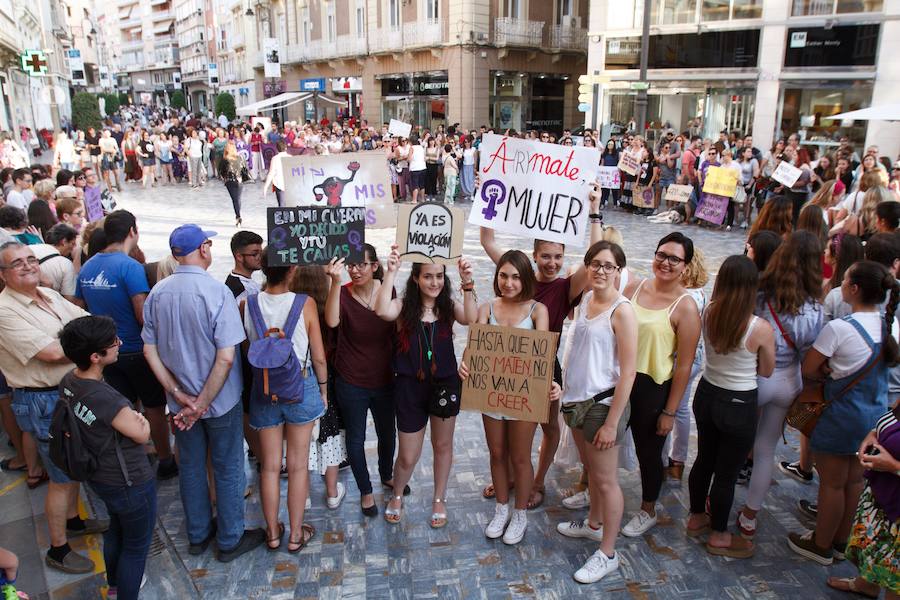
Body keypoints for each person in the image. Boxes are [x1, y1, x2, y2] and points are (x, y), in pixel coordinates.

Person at [142, 224, 265, 562]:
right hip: (219, 401)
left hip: (180, 403)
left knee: (193, 466)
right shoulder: (216, 292)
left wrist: (178, 394)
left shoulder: (158, 292)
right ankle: (230, 538)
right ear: (205, 249)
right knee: (227, 467)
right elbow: (226, 356)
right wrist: (202, 403)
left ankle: (198, 534)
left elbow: (149, 350)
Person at [479, 189, 604, 508]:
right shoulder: (519, 277)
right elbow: (488, 242)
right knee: (506, 425)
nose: (552, 262)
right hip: (507, 364)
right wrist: (487, 195)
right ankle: (507, 479)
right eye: (546, 256)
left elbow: (595, 257)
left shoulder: (565, 287)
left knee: (547, 426)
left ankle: (535, 482)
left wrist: (594, 211)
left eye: (558, 257)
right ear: (534, 256)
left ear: (565, 259)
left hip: (545, 365)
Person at [0, 241, 103, 574]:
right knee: (59, 477)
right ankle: (58, 549)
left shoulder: (49, 295)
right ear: (3, 274)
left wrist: (77, 339)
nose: (29, 265)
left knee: (72, 468)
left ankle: (73, 521)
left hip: (66, 392)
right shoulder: (4, 310)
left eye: (32, 259)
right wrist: (81, 341)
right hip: (41, 399)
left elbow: (90, 322)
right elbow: (51, 352)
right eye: (18, 263)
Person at [788, 260, 897, 565]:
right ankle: (840, 541)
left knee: (832, 483)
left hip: (840, 416)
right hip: (874, 417)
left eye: (845, 279)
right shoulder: (891, 325)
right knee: (854, 481)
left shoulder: (839, 328)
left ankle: (820, 544)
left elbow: (809, 368)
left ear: (854, 288)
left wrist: (829, 370)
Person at [458, 250, 557, 545]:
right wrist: (465, 363)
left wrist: (552, 383)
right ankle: (501, 509)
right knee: (497, 453)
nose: (509, 282)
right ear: (497, 276)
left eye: (515, 276)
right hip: (491, 391)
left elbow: (544, 356)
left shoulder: (538, 310)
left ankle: (520, 514)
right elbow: (473, 346)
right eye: (503, 275)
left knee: (520, 457)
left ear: (525, 278)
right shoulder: (487, 307)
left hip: (523, 396)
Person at [374, 246, 477, 527]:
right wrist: (391, 271)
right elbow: (382, 310)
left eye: (440, 276)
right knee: (408, 455)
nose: (435, 282)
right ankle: (397, 493)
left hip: (445, 385)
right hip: (409, 387)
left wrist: (467, 282)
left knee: (442, 445)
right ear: (416, 279)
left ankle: (439, 499)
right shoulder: (404, 307)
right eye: (428, 277)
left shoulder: (447, 308)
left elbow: (471, 318)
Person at [57, 316, 156, 600]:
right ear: (95, 356)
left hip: (100, 476)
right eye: (113, 343)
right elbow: (141, 433)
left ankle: (113, 586)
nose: (119, 344)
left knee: (116, 529)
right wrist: (142, 421)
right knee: (136, 548)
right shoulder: (106, 399)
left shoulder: (69, 381)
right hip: (129, 480)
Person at [556, 241, 637, 584]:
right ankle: (593, 525)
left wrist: (612, 422)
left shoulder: (622, 311)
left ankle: (608, 553)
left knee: (605, 481)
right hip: (575, 401)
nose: (601, 271)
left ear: (620, 271)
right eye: (596, 264)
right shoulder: (588, 299)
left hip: (602, 405)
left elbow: (629, 372)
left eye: (609, 266)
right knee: (591, 470)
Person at [75, 210, 177, 480]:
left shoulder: (87, 266)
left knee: (125, 408)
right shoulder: (129, 266)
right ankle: (165, 459)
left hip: (105, 353)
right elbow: (142, 314)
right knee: (154, 407)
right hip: (133, 348)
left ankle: (136, 457)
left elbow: (78, 308)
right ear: (133, 231)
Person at [735, 232, 824, 538]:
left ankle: (715, 499)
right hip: (789, 381)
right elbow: (811, 357)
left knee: (733, 443)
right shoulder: (815, 308)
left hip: (753, 377)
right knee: (765, 450)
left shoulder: (759, 294)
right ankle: (750, 516)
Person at [686, 255, 774, 559]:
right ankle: (721, 535)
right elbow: (766, 370)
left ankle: (696, 517)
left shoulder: (709, 312)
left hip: (707, 393)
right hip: (740, 402)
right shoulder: (759, 327)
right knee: (726, 472)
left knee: (703, 461)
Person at [243, 254, 327, 553]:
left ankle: (272, 534)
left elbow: (248, 349)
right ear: (292, 269)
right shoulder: (305, 304)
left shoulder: (248, 304)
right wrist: (324, 389)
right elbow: (318, 355)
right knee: (298, 465)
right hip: (299, 387)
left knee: (268, 467)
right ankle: (294, 535)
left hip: (264, 390)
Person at [621, 232, 701, 537]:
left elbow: (683, 365)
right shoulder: (634, 287)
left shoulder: (686, 307)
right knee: (600, 439)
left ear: (685, 266)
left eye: (674, 259)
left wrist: (670, 411)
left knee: (648, 452)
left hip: (653, 387)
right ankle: (589, 489)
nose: (665, 263)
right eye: (661, 254)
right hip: (619, 380)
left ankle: (647, 508)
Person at [324, 245, 399, 517]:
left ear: (375, 266)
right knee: (355, 439)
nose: (355, 270)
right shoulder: (342, 293)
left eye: (362, 265)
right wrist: (334, 282)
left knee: (387, 433)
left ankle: (386, 473)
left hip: (384, 378)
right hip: (351, 379)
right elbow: (332, 321)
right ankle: (365, 490)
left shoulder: (387, 289)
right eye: (351, 265)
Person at [825, 404, 900, 599]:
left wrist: (894, 466)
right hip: (883, 496)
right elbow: (891, 418)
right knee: (871, 547)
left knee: (895, 578)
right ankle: (866, 584)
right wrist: (874, 434)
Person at [291, 266, 347, 509]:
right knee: (330, 434)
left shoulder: (292, 308)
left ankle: (302, 495)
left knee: (300, 442)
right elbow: (322, 356)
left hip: (296, 382)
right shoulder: (329, 311)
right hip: (327, 381)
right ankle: (332, 492)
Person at [224, 230, 264, 467]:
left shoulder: (247, 282)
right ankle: (259, 452)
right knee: (248, 405)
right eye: (255, 253)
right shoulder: (236, 289)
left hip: (251, 354)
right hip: (245, 355)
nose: (260, 257)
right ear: (239, 256)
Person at [218, 141, 249, 227]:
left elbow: (221, 171)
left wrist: (224, 178)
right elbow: (245, 169)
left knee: (235, 199)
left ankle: (238, 216)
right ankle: (238, 215)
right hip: (239, 180)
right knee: (237, 199)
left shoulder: (225, 159)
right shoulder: (240, 158)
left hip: (230, 181)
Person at [262, 141, 289, 207]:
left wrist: (266, 186)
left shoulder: (275, 159)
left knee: (281, 205)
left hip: (279, 184)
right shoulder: (290, 157)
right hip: (289, 184)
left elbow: (271, 173)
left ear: (276, 149)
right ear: (286, 148)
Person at [459, 135, 477, 202]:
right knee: (464, 180)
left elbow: (475, 159)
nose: (466, 143)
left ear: (470, 142)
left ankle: (472, 194)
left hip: (471, 166)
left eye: (468, 142)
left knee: (471, 180)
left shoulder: (473, 149)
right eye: (465, 142)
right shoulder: (462, 150)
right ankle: (467, 194)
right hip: (464, 166)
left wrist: (475, 167)